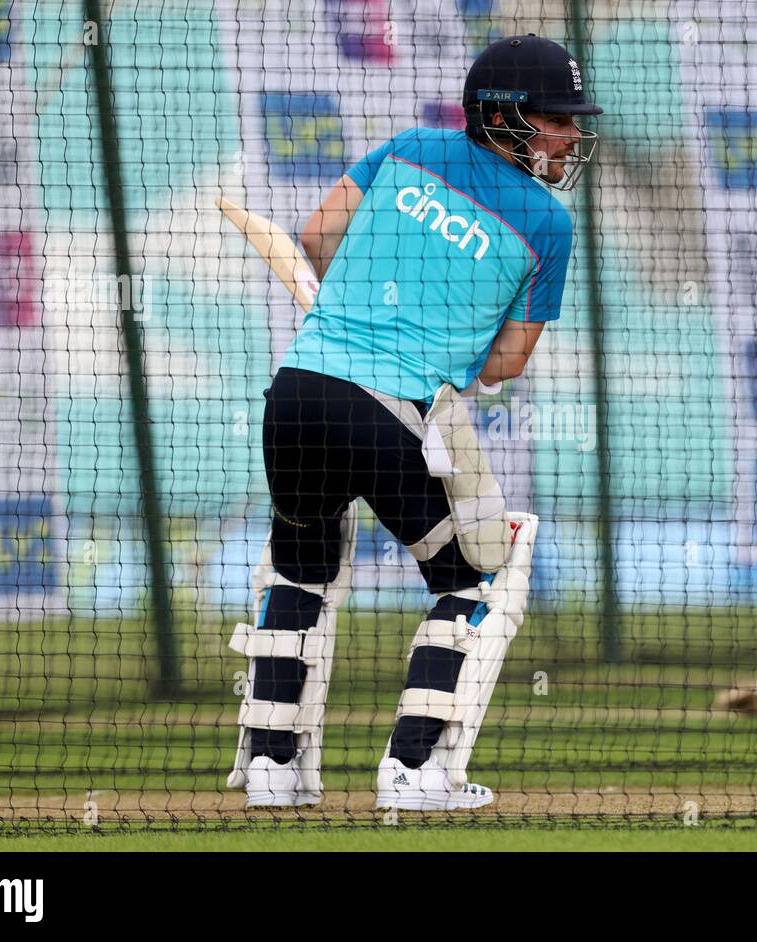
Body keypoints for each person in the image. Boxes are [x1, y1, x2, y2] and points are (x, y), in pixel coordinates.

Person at [225, 34, 602, 811]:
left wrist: (363, 312)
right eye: (557, 119)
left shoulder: (404, 149)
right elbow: (505, 365)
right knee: (469, 581)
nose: (570, 135)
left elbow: (314, 237)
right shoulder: (547, 224)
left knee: (301, 571)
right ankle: (413, 769)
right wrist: (442, 337)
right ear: (506, 118)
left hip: (297, 390)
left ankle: (271, 768)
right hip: (392, 412)